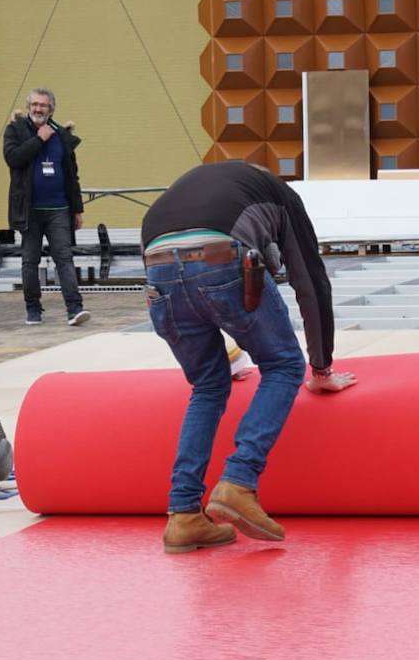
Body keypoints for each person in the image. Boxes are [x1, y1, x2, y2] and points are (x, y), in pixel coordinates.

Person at [140, 161, 357, 554]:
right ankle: (239, 480)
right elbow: (311, 282)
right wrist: (321, 368)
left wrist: (232, 359)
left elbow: (184, 284)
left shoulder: (186, 191)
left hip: (157, 268)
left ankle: (183, 515)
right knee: (284, 365)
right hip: (223, 257)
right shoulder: (282, 196)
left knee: (207, 386)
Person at [3, 88, 90, 326]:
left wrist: (77, 209)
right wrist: (39, 139)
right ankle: (33, 309)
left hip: (59, 208)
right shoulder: (16, 130)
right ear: (29, 106)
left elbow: (73, 176)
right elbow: (13, 158)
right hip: (29, 210)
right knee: (30, 261)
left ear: (51, 109)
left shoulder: (61, 134)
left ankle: (75, 308)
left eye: (43, 105)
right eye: (34, 104)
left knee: (64, 258)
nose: (38, 109)